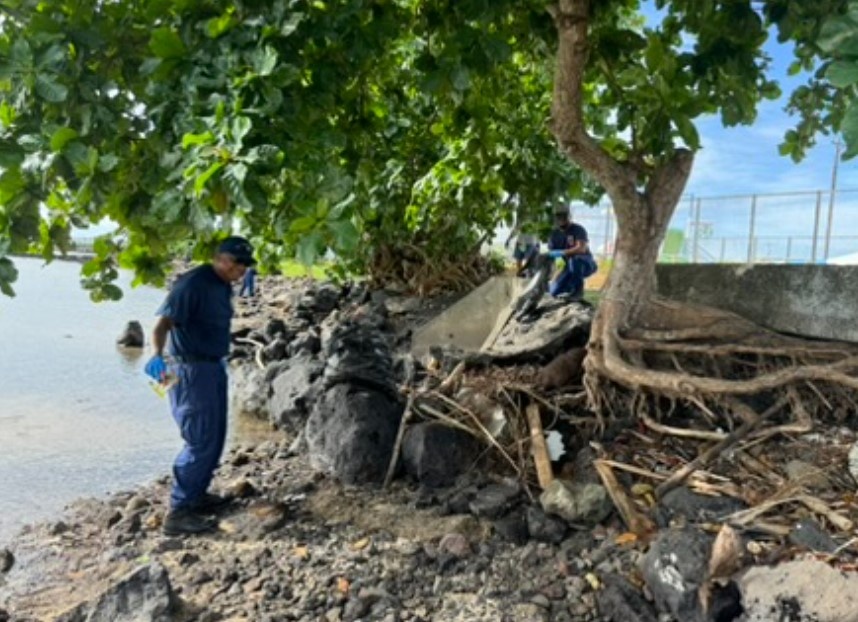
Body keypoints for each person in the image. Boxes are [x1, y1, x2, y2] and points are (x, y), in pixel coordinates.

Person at [144, 236, 255, 536]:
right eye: (239, 264)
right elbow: (162, 323)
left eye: (245, 265)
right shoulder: (192, 284)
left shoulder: (221, 285)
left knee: (216, 435)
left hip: (212, 366)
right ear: (222, 259)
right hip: (189, 369)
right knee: (199, 438)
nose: (243, 270)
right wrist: (156, 356)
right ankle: (178, 512)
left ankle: (196, 496)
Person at [547, 206, 597, 299]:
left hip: (585, 264)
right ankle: (569, 288)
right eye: (558, 216)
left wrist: (562, 253)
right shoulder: (553, 234)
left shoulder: (578, 229)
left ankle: (578, 292)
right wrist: (557, 259)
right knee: (554, 292)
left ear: (569, 216)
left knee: (574, 260)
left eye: (564, 216)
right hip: (567, 268)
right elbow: (552, 253)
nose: (561, 219)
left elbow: (581, 249)